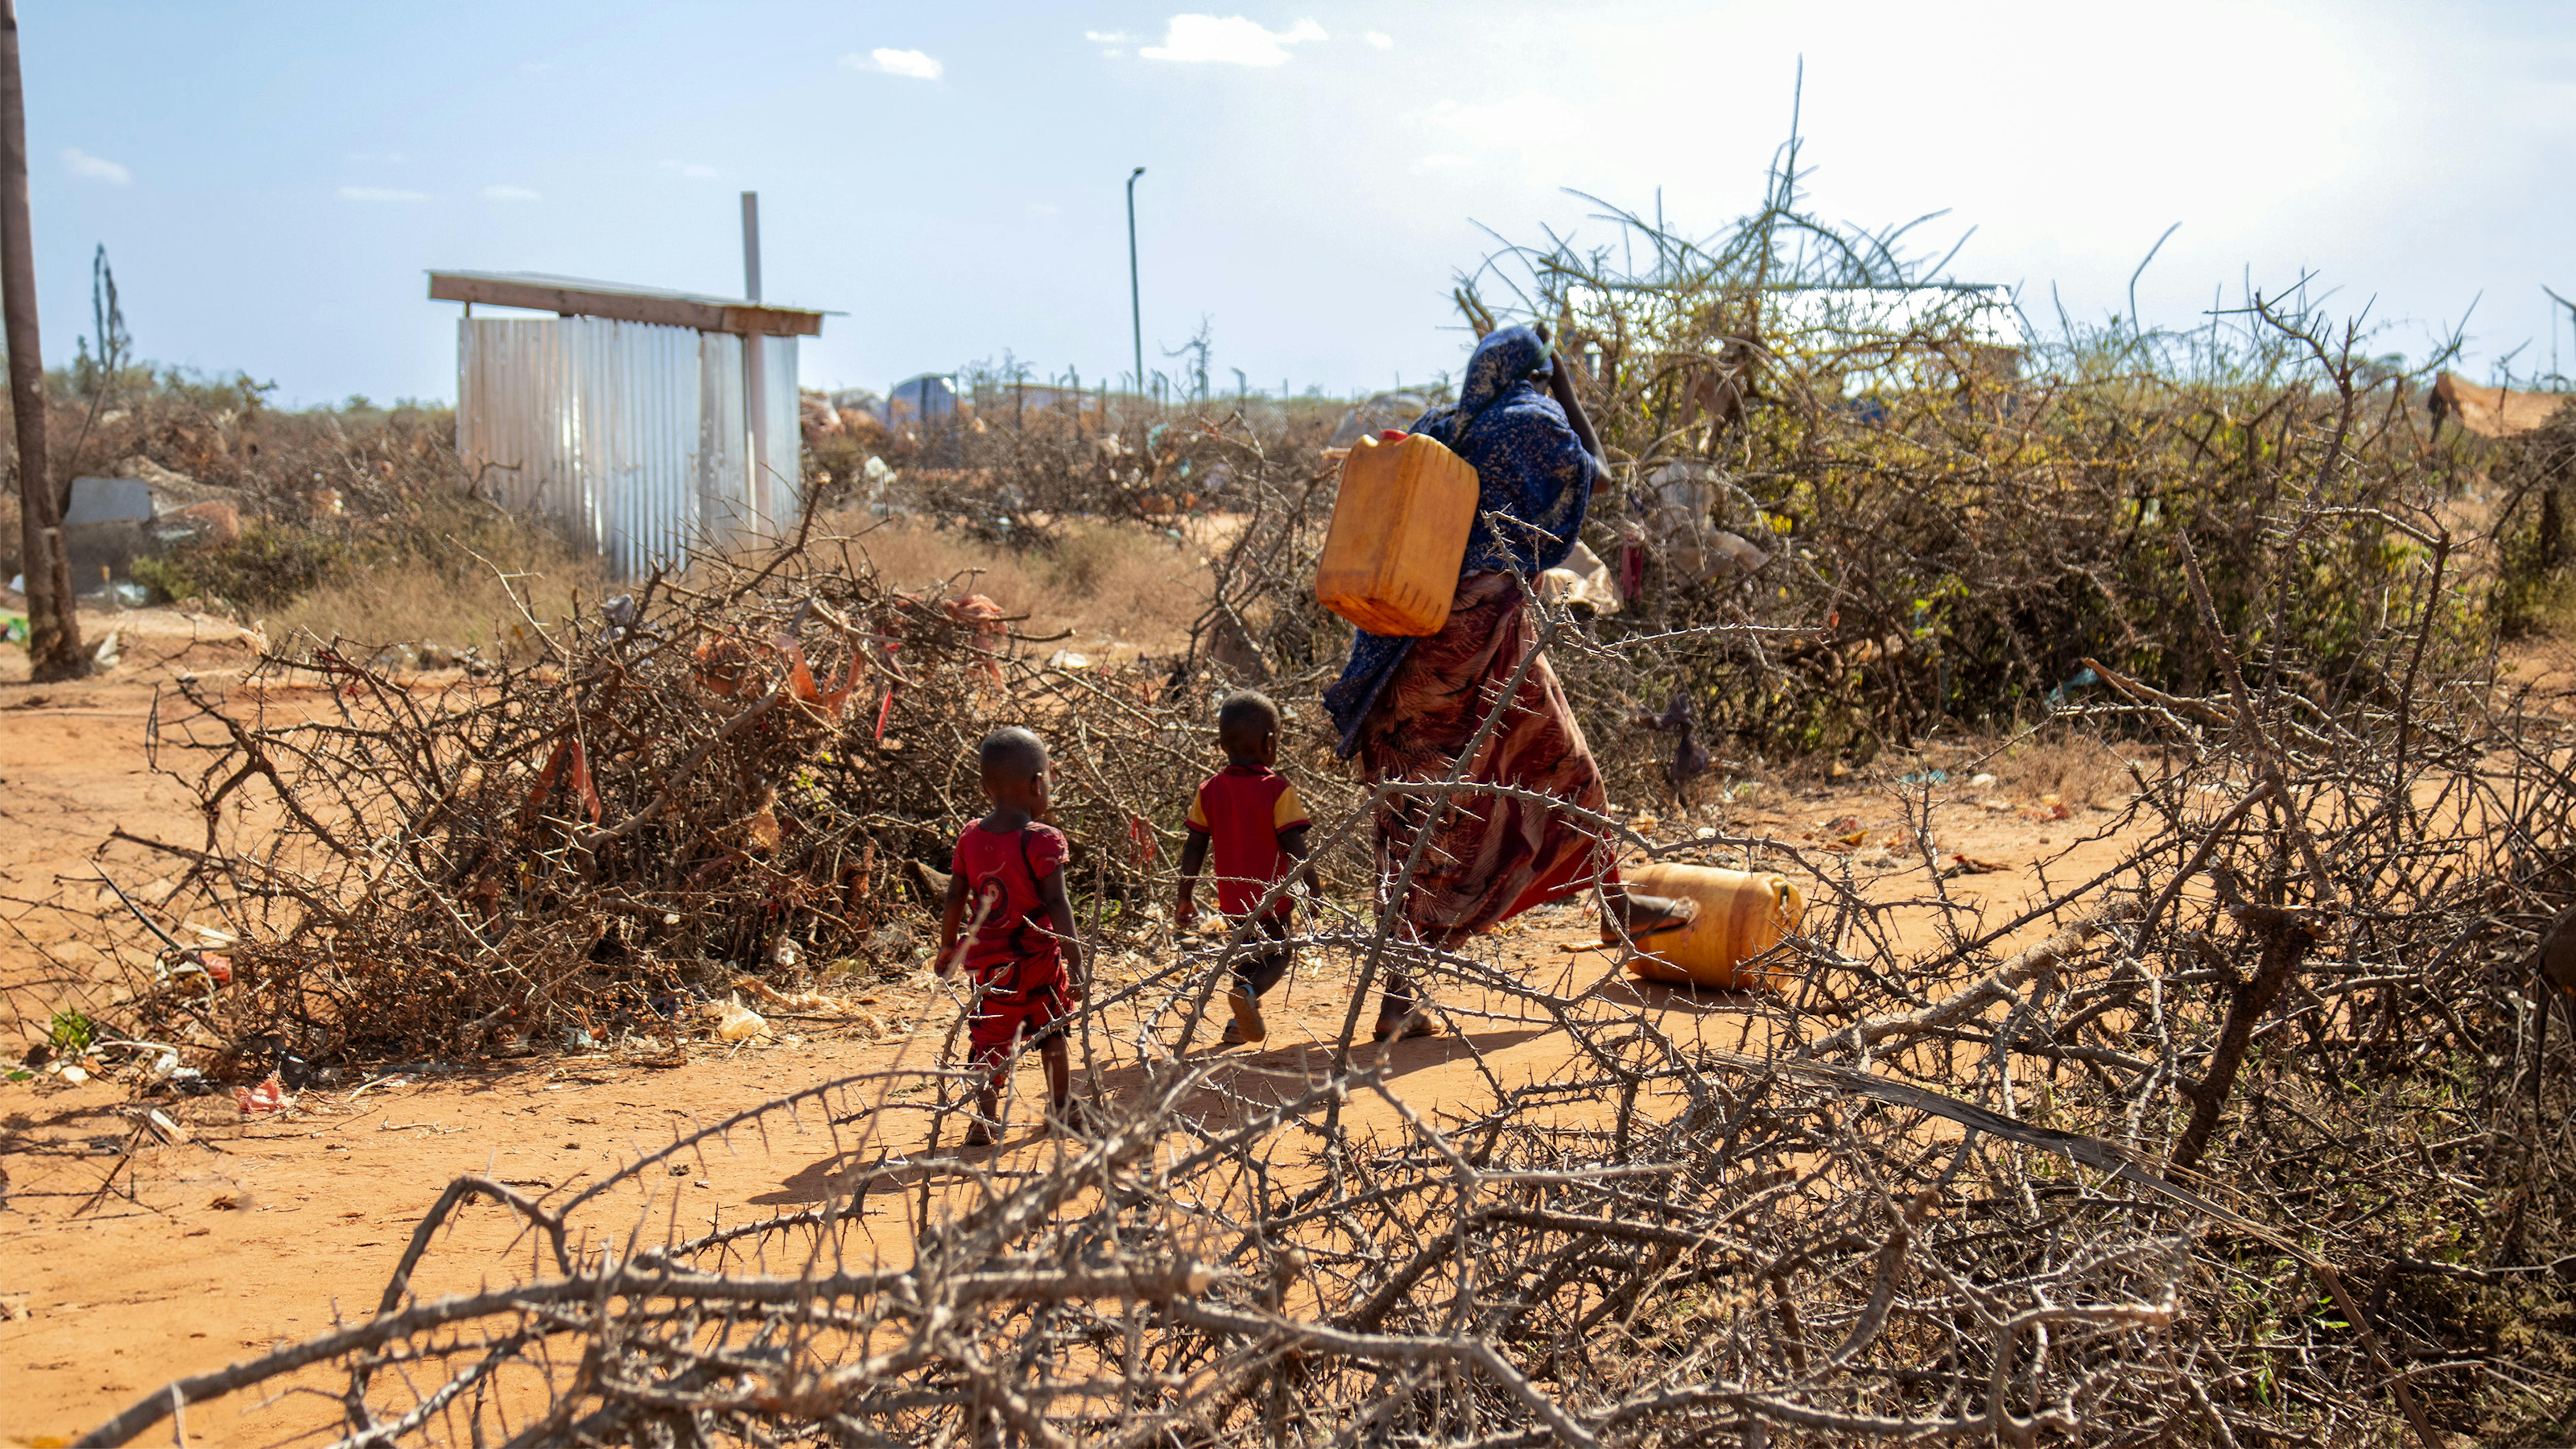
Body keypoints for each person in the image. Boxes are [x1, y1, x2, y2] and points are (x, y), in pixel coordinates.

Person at [1323, 325, 1694, 1029]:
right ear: (1532, 370)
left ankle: (1612, 911)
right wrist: (1564, 387)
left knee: (1433, 806)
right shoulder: (1532, 418)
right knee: (1512, 787)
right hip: (1473, 641)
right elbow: (1600, 473)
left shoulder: (1440, 428)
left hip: (1402, 647)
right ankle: (1405, 994)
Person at [937, 727, 1087, 1145]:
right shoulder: (1042, 840)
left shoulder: (971, 836)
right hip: (1039, 964)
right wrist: (1075, 962)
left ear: (987, 786)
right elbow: (1058, 904)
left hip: (990, 971)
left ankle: (984, 1120)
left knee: (988, 1042)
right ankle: (1060, 1108)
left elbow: (954, 895)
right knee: (1053, 1034)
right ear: (1039, 784)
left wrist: (949, 946)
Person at [1175, 691, 1321, 1047]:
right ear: (1270, 743)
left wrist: (1184, 896)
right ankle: (1250, 993)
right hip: (1271, 898)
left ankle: (1236, 1024)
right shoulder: (1276, 790)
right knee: (1280, 952)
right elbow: (1294, 845)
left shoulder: (1208, 791)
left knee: (1248, 953)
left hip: (1233, 900)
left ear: (1222, 745)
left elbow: (1194, 846)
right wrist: (1314, 889)